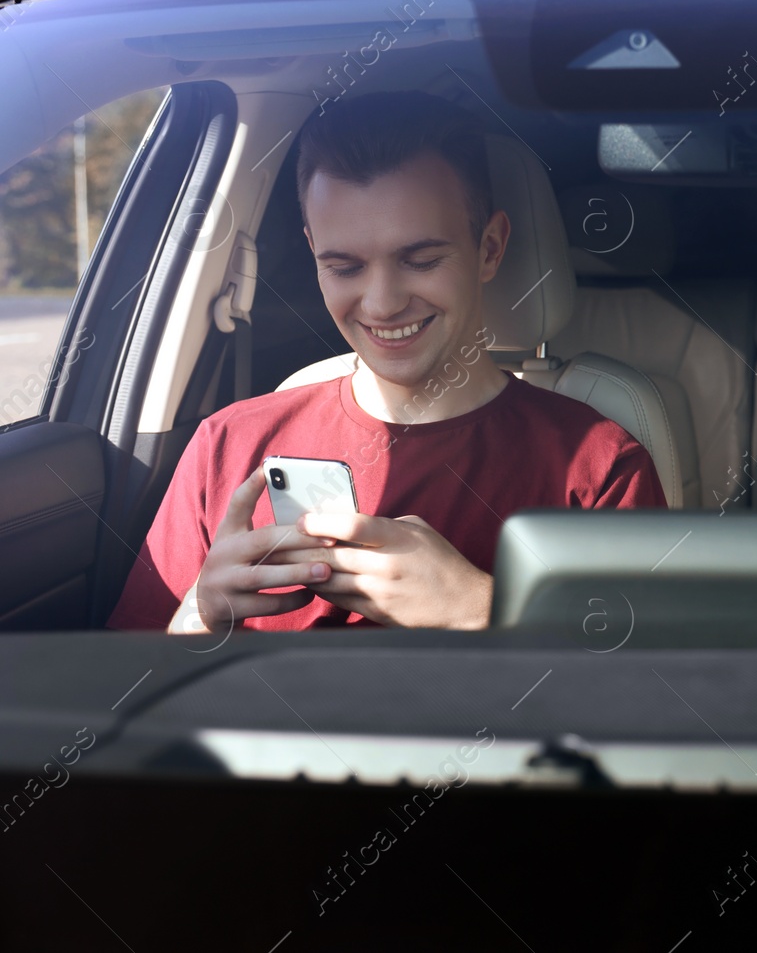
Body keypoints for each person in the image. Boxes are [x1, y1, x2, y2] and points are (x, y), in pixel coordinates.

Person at [108, 92, 666, 633]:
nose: (381, 303)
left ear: (490, 248)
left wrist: (480, 608)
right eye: (345, 267)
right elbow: (115, 694)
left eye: (420, 260)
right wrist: (198, 616)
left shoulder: (598, 468)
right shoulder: (227, 445)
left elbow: (649, 696)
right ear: (313, 254)